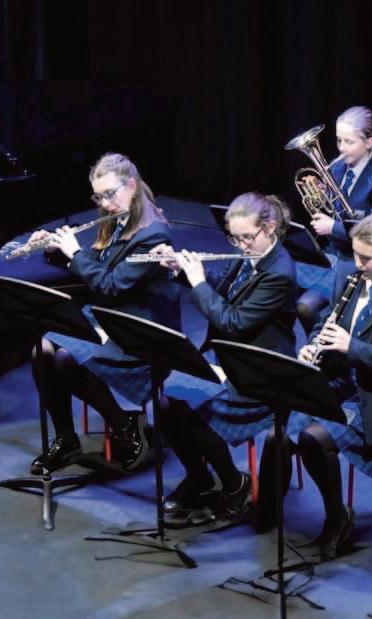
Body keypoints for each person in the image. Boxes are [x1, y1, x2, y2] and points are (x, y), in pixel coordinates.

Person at [259, 212, 372, 554]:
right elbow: (326, 320)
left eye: (366, 258)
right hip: (342, 382)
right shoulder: (355, 279)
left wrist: (351, 346)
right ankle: (266, 515)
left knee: (314, 437)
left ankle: (337, 517)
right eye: (355, 255)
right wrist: (315, 343)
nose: (357, 264)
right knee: (277, 433)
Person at [150, 192, 298, 527]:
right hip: (228, 355)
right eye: (235, 238)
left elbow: (234, 321)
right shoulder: (249, 253)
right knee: (166, 402)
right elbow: (225, 290)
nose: (241, 245)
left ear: (269, 227)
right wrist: (182, 269)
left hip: (258, 371)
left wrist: (198, 282)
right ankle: (201, 477)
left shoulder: (279, 273)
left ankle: (233, 483)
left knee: (185, 408)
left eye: (247, 237)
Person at [28, 152, 179, 474]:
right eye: (99, 196)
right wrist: (55, 251)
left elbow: (110, 285)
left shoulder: (153, 233)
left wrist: (75, 252)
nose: (105, 203)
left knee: (66, 358)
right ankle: (66, 438)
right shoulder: (116, 216)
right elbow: (97, 270)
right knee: (42, 350)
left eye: (110, 194)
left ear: (132, 186)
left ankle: (123, 426)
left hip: (139, 328)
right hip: (109, 316)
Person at [297, 105, 372, 333]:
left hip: (359, 263)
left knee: (316, 311)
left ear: (369, 142)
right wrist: (320, 194)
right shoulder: (338, 170)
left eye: (349, 142)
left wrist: (332, 227)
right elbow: (336, 209)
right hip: (333, 255)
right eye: (339, 140)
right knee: (300, 304)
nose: (341, 148)